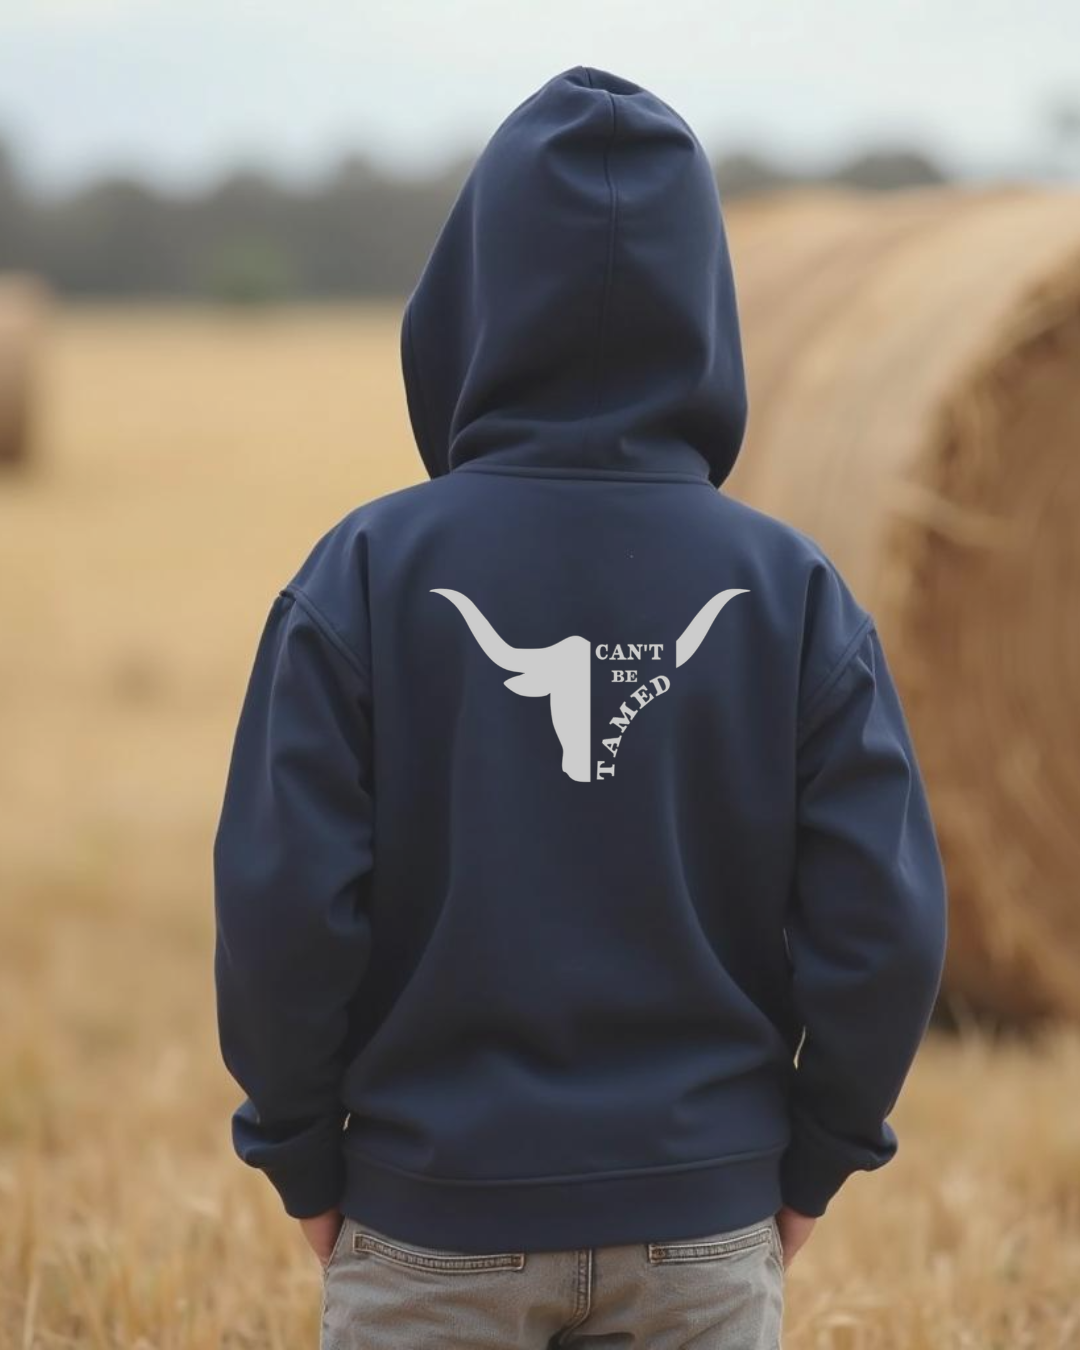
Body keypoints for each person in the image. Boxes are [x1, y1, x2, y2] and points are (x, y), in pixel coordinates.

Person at [213, 64, 949, 1350]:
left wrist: (304, 1159)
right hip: (708, 1232)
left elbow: (282, 908)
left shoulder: (368, 575)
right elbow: (884, 930)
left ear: (471, 295)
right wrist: (812, 1161)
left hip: (427, 1225)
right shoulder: (792, 592)